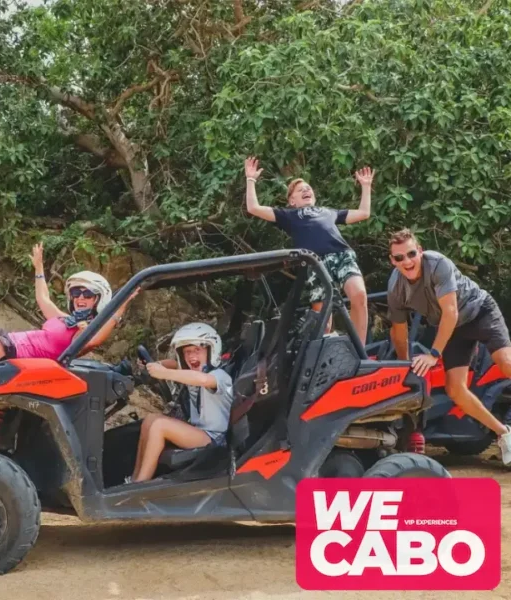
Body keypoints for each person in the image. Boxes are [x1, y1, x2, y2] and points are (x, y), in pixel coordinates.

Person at [386, 228, 511, 464]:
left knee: (505, 363)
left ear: (420, 251)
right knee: (455, 389)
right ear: (392, 261)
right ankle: (505, 434)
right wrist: (405, 366)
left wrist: (434, 354)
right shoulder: (396, 288)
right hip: (452, 329)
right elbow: (399, 332)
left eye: (411, 254)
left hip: (479, 312)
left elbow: (450, 312)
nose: (407, 261)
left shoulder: (437, 264)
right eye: (399, 257)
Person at [0, 242, 137, 372]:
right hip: (8, 338)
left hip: (10, 352)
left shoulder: (85, 332)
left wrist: (122, 304)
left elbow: (98, 338)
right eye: (76, 292)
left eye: (87, 294)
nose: (80, 297)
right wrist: (39, 267)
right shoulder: (64, 319)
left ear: (99, 300)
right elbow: (43, 299)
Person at [244, 156, 374, 343]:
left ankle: (359, 351)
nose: (306, 189)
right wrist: (250, 179)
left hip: (341, 256)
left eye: (308, 188)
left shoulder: (329, 212)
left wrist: (366, 186)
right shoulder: (289, 215)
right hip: (316, 264)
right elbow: (253, 208)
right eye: (299, 189)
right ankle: (326, 356)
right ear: (292, 201)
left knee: (360, 295)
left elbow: (364, 213)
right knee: (324, 322)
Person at [128, 323, 234, 483]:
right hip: (199, 432)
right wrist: (155, 365)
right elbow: (175, 364)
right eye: (187, 352)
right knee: (150, 420)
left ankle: (140, 484)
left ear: (211, 351)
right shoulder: (193, 371)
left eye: (197, 350)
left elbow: (203, 380)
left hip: (215, 440)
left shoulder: (219, 375)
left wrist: (165, 373)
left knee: (160, 425)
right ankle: (135, 478)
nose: (192, 357)